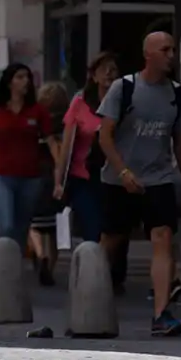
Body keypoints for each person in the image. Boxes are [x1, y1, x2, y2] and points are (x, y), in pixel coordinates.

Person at [97, 31, 181, 336]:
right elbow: (105, 136)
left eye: (173, 49)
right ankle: (88, 295)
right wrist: (123, 172)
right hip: (120, 179)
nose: (171, 54)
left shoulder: (177, 96)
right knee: (110, 242)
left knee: (163, 236)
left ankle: (161, 314)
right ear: (148, 54)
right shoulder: (123, 88)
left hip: (158, 179)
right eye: (165, 49)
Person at [0, 63, 58, 251]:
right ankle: (3, 262)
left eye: (27, 77)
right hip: (0, 176)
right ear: (9, 83)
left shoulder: (37, 111)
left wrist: (60, 170)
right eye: (19, 77)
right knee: (7, 224)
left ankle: (12, 268)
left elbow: (51, 141)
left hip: (30, 178)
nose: (25, 81)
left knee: (22, 228)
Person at [53, 52, 118, 244]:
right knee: (93, 229)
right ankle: (93, 270)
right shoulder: (80, 102)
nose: (108, 73)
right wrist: (59, 182)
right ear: (94, 76)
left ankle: (110, 271)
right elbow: (66, 146)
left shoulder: (124, 103)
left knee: (114, 231)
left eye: (113, 69)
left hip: (114, 177)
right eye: (103, 69)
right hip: (84, 177)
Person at [28, 81, 70, 286]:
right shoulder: (64, 126)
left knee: (33, 225)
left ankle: (39, 253)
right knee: (53, 230)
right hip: (55, 178)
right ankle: (50, 267)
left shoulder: (35, 122)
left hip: (35, 174)